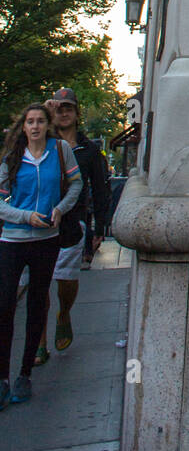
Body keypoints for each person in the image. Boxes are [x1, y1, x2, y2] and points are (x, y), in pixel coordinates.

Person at [0, 104, 82, 407]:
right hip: (13, 238)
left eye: (40, 121)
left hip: (47, 239)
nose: (35, 126)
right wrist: (24, 217)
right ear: (23, 126)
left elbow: (76, 184)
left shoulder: (59, 151)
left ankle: (24, 375)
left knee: (37, 303)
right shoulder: (12, 158)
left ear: (47, 125)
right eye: (30, 122)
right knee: (5, 304)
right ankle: (2, 378)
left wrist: (60, 209)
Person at [33, 89, 109, 363]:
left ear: (77, 113)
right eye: (59, 108)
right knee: (38, 286)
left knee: (65, 279)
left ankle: (64, 312)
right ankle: (39, 345)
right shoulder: (43, 143)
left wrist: (100, 227)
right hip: (40, 221)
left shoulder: (89, 150)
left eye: (68, 108)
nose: (63, 113)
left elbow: (100, 189)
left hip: (72, 224)